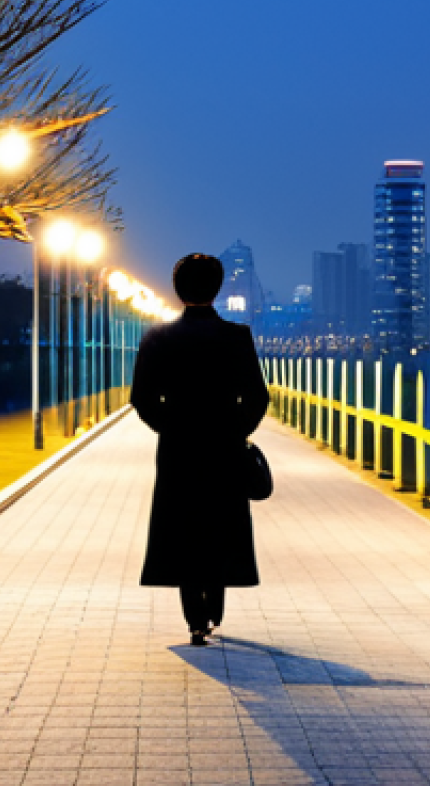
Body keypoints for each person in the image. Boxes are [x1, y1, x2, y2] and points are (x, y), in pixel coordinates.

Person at [131, 253, 270, 646]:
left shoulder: (157, 337)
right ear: (217, 288)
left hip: (178, 449)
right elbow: (257, 397)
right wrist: (235, 430)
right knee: (220, 522)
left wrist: (171, 426)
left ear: (177, 289)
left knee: (183, 525)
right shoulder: (236, 336)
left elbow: (141, 398)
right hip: (225, 447)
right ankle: (215, 606)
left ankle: (195, 618)